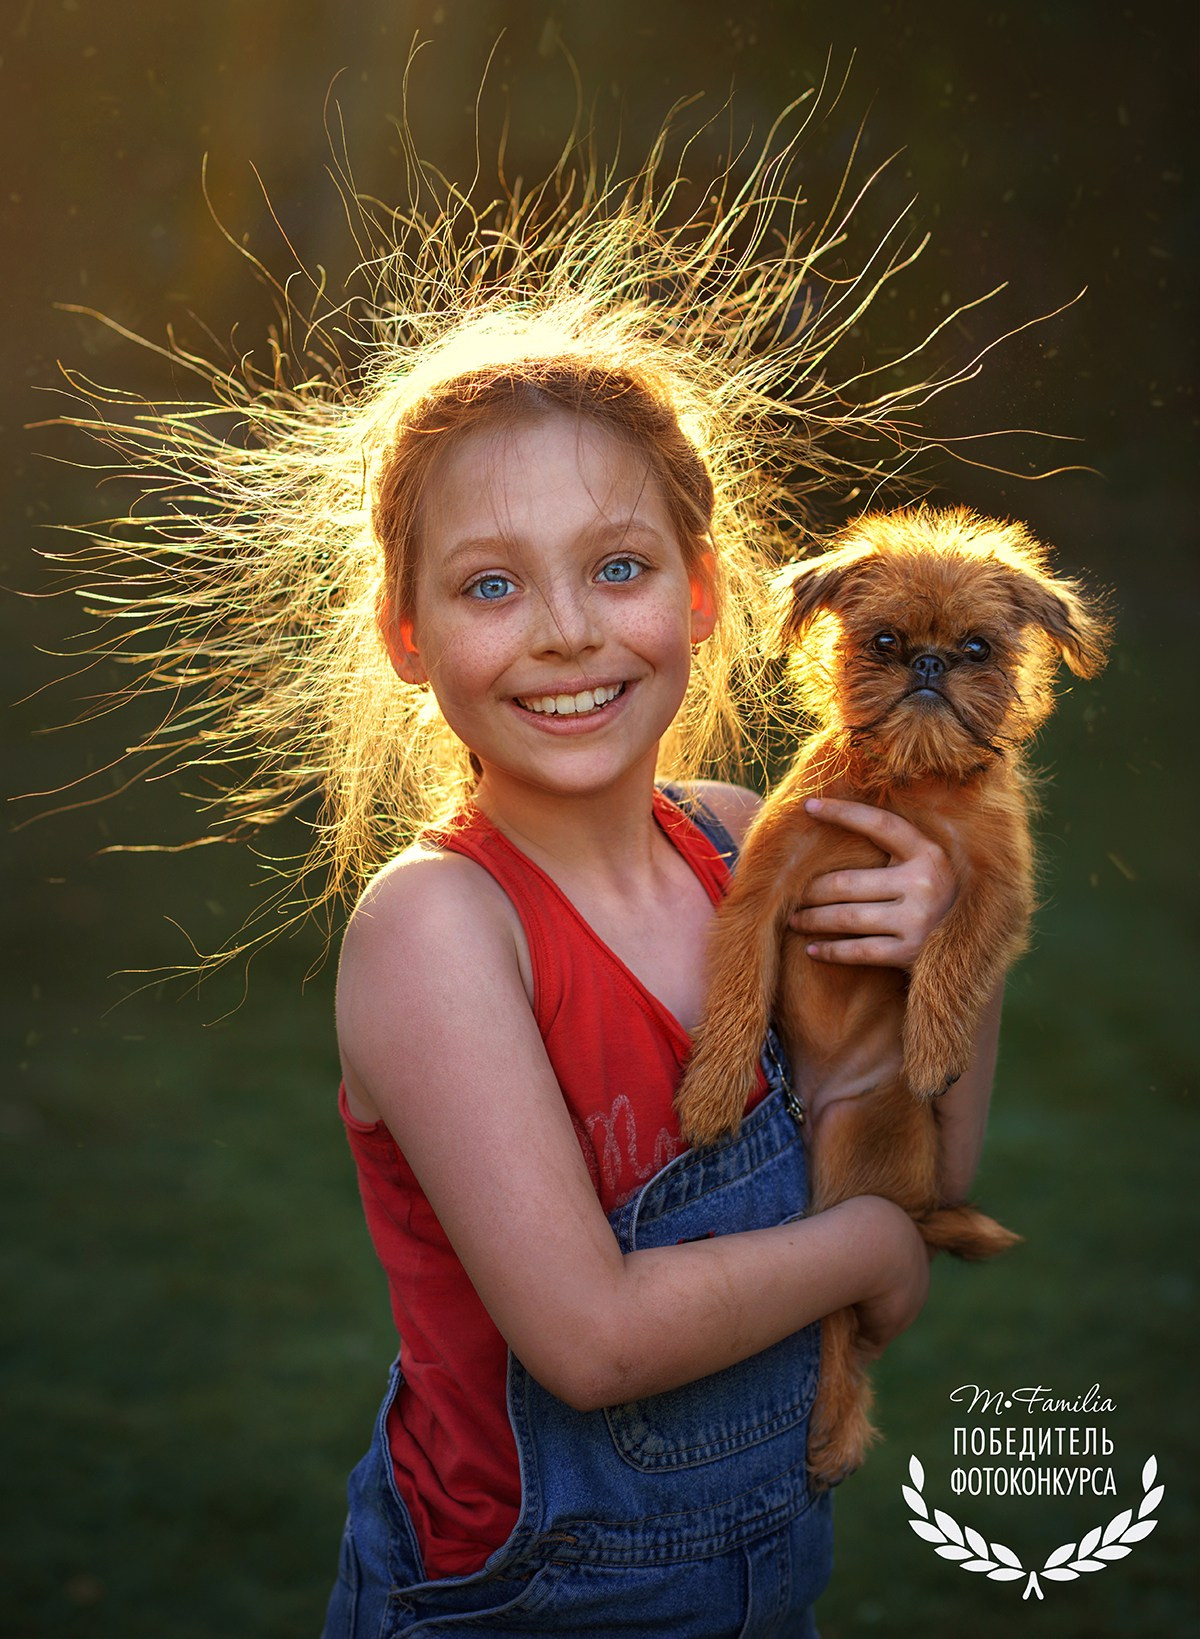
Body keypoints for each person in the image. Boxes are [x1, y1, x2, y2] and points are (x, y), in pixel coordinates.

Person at [54, 101, 1005, 1638]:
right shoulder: (441, 928)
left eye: (618, 568)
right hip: (527, 1604)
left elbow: (930, 1158)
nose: (567, 630)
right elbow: (592, 1342)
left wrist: (954, 953)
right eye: (493, 584)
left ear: (702, 597)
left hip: (768, 1577)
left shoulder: (739, 842)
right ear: (409, 636)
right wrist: (870, 1245)